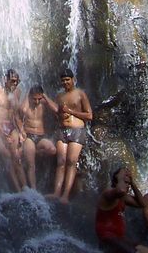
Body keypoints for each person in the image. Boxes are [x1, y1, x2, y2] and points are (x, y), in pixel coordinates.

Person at [47, 67, 93, 203]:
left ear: (73, 79)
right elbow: (57, 112)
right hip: (62, 130)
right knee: (60, 162)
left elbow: (89, 115)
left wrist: (71, 111)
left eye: (67, 80)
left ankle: (65, 195)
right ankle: (56, 192)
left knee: (71, 162)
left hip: (77, 130)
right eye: (63, 80)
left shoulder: (80, 94)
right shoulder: (59, 96)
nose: (65, 82)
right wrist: (44, 98)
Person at [95, 166, 148, 253]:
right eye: (125, 182)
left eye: (128, 184)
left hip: (119, 238)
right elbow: (121, 190)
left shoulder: (123, 197)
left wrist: (132, 183)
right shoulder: (108, 193)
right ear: (117, 181)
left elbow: (142, 204)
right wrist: (120, 177)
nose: (127, 186)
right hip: (108, 238)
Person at [0, 69, 26, 191]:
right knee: (7, 157)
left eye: (17, 82)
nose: (15, 84)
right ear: (6, 80)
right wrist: (0, 131)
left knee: (17, 158)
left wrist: (21, 131)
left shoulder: (17, 92)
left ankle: (27, 190)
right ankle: (17, 190)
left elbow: (15, 115)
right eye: (13, 81)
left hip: (11, 127)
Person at [17, 84, 57, 190]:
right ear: (30, 97)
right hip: (29, 136)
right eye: (35, 99)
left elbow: (56, 109)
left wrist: (45, 97)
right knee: (31, 164)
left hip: (41, 136)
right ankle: (33, 188)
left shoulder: (43, 103)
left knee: (52, 150)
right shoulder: (27, 104)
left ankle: (35, 152)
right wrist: (21, 131)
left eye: (39, 99)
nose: (37, 102)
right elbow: (22, 111)